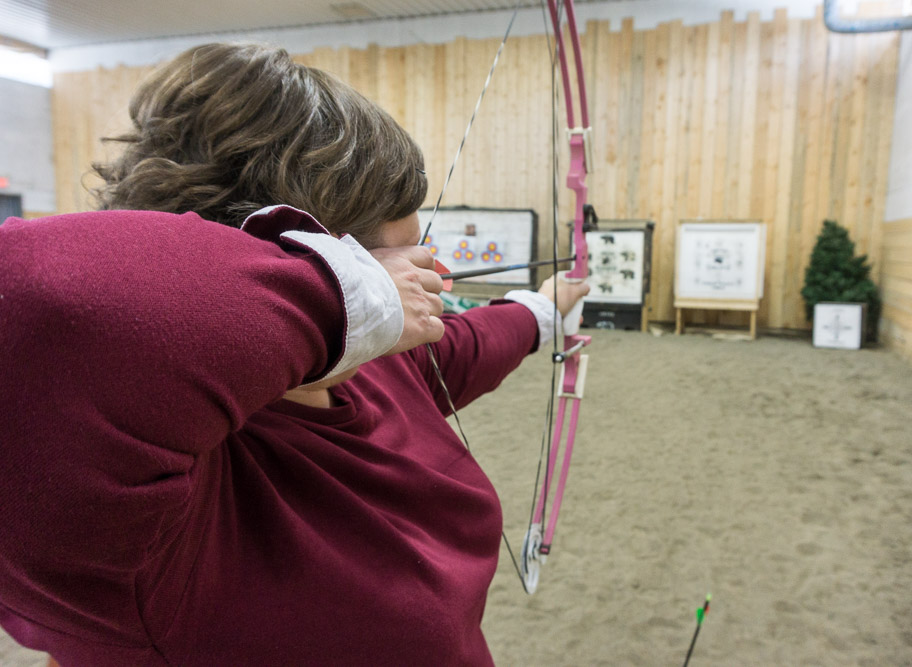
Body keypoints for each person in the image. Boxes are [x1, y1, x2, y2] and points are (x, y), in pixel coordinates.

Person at [0, 43, 588, 665]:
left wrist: (544, 310)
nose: (429, 281)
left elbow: (462, 348)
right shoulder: (136, 519)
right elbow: (34, 293)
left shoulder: (376, 364)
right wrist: (351, 302)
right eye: (392, 269)